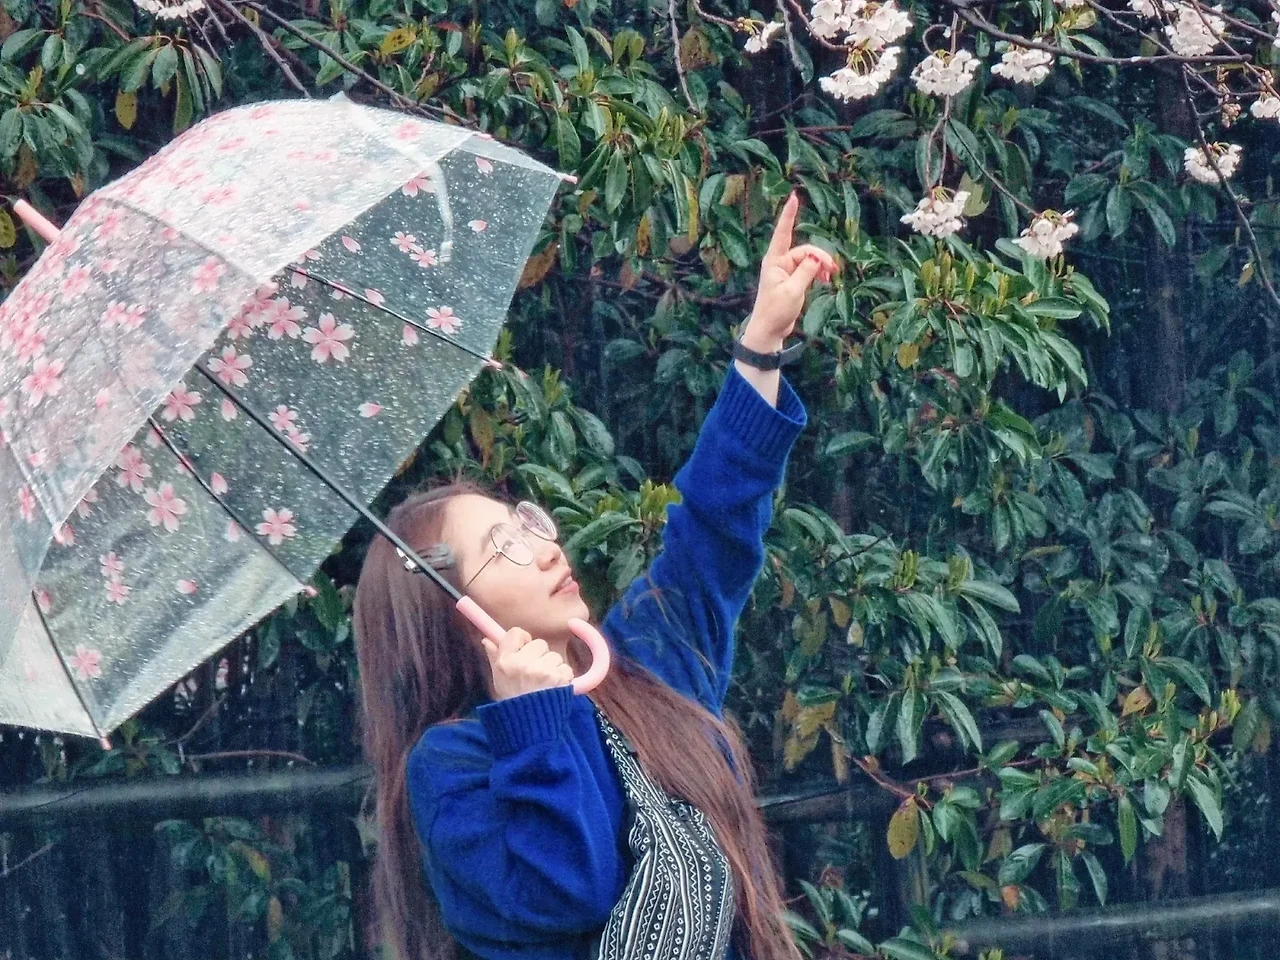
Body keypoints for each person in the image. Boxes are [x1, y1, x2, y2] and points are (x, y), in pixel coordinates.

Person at [354, 194, 839, 960]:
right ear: (449, 611)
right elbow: (567, 890)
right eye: (503, 546)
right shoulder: (451, 768)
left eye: (526, 523)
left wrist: (761, 344)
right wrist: (533, 722)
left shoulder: (648, 665)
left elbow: (714, 531)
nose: (545, 548)